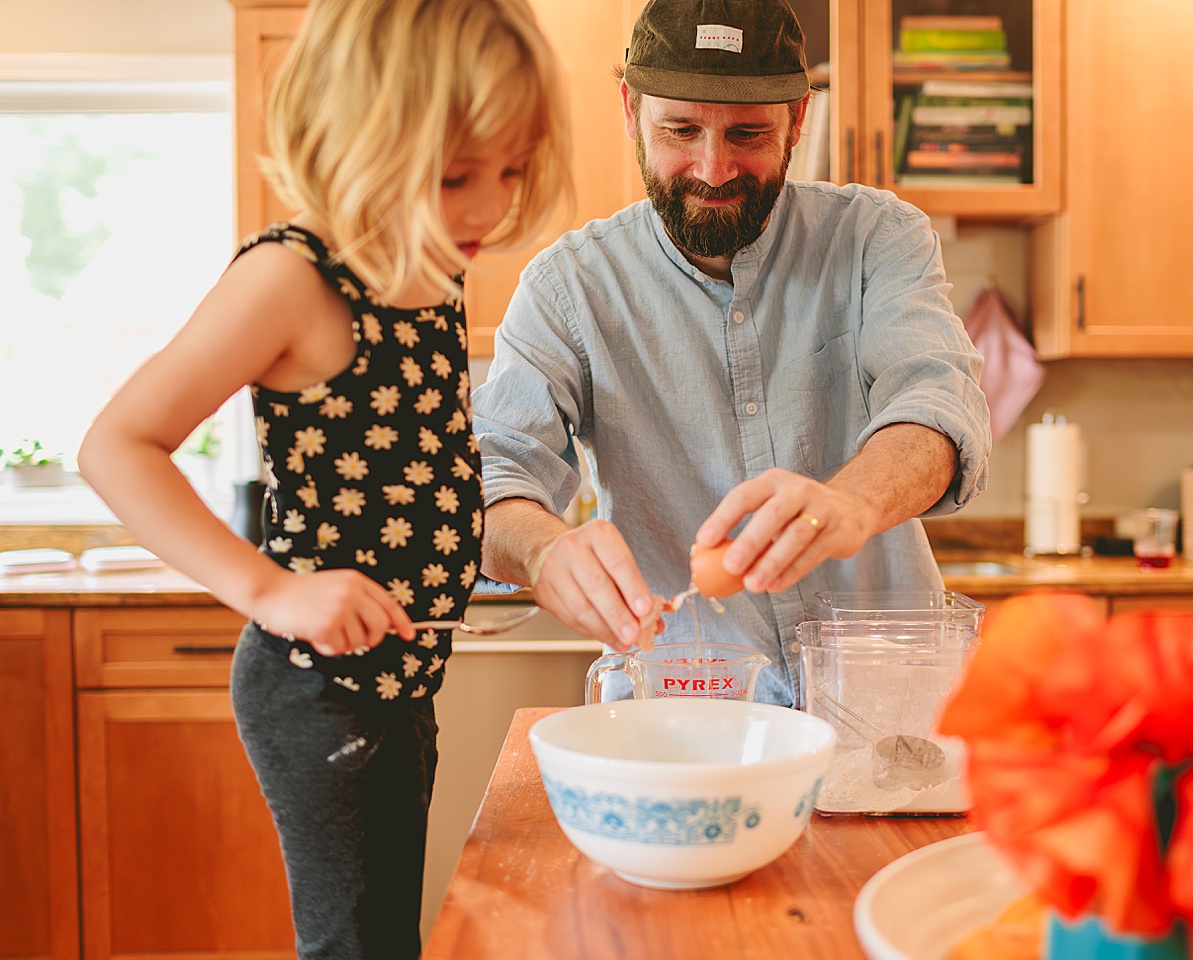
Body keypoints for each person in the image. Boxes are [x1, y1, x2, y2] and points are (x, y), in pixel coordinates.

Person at [76, 0, 571, 955]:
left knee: (388, 939)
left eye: (509, 170)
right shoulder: (289, 279)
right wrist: (271, 590)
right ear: (357, 139)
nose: (487, 207)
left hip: (402, 674)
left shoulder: (430, 262)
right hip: (315, 687)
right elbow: (117, 445)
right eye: (453, 175)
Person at [472, 0, 990, 707]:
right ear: (630, 110)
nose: (713, 170)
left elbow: (936, 406)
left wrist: (850, 503)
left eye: (747, 134)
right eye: (680, 130)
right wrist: (541, 548)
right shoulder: (569, 289)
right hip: (683, 703)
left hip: (882, 699)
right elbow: (493, 474)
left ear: (799, 119)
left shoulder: (878, 240)